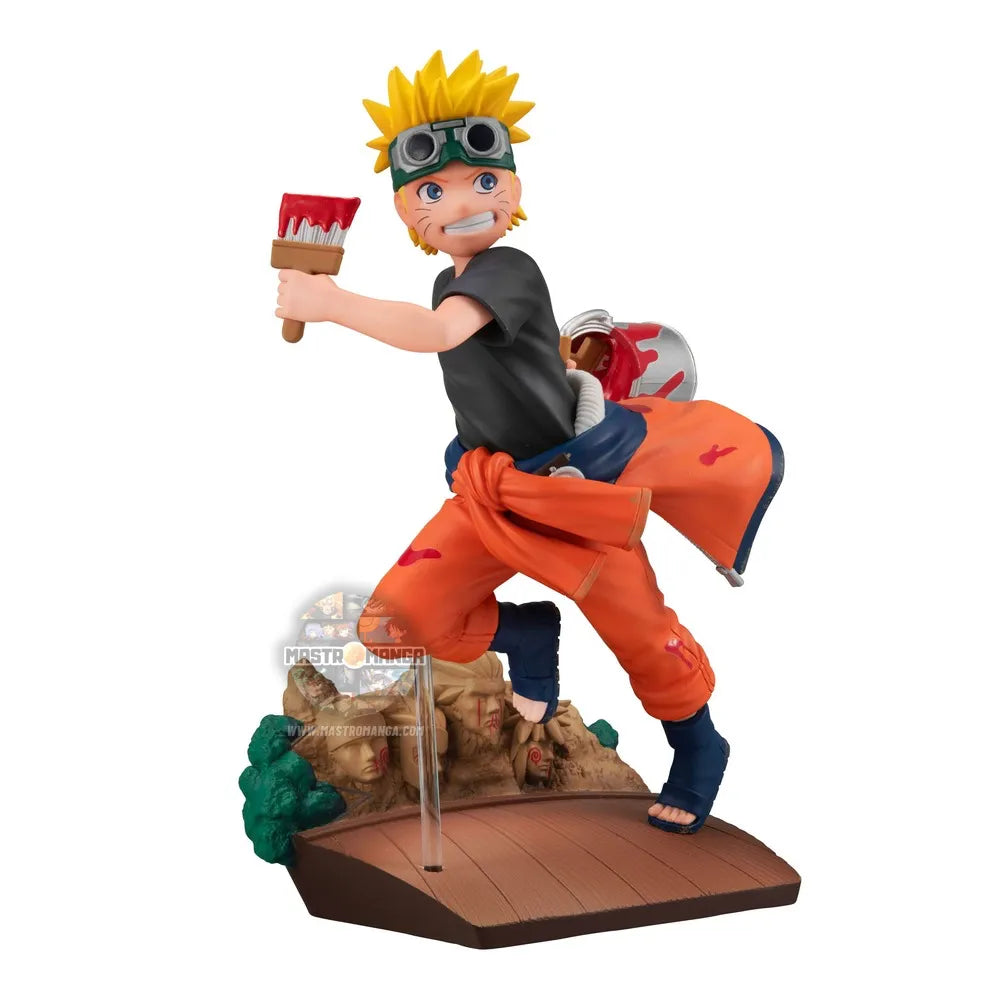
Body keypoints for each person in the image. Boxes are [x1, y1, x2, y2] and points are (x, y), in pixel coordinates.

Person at [275, 51, 783, 834]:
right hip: (491, 491)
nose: (464, 202)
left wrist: (332, 303)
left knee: (646, 639)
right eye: (433, 191)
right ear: (406, 211)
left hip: (573, 494)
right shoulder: (448, 279)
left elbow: (438, 333)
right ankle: (527, 633)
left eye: (485, 180)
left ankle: (698, 748)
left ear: (512, 187)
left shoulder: (507, 269)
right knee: (392, 623)